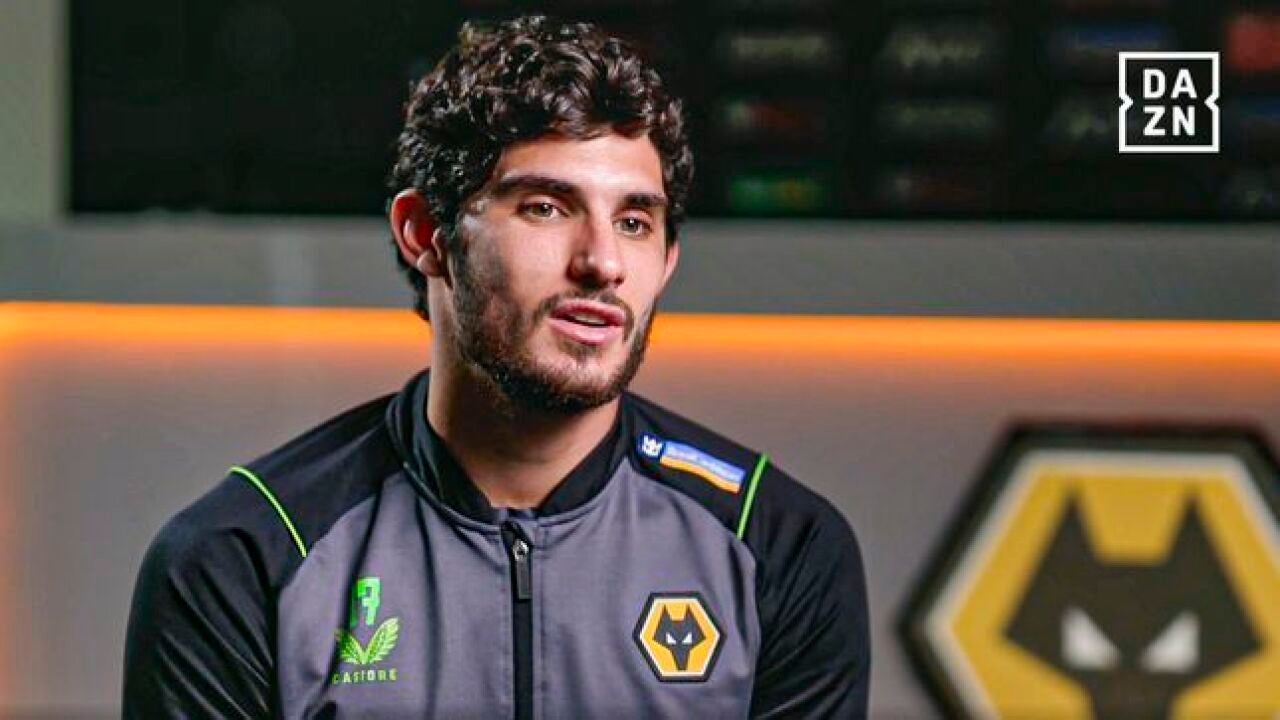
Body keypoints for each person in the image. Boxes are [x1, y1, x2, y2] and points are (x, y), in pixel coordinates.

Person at [123, 15, 869, 718]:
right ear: (426, 234)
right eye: (546, 207)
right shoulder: (245, 556)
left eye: (634, 221)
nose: (602, 262)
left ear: (668, 258)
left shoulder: (777, 544)